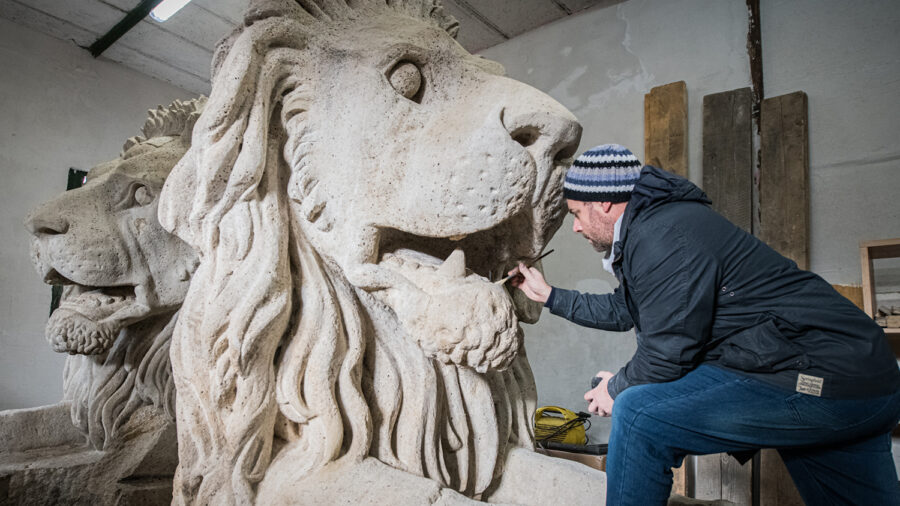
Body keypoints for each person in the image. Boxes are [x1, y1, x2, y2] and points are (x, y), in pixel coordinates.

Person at [509, 144, 900, 505]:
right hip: (863, 379)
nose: (576, 227)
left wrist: (620, 386)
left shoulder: (663, 236)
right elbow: (625, 310)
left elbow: (667, 353)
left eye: (577, 213)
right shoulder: (657, 227)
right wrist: (548, 295)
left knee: (640, 415)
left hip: (822, 377)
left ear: (605, 203)